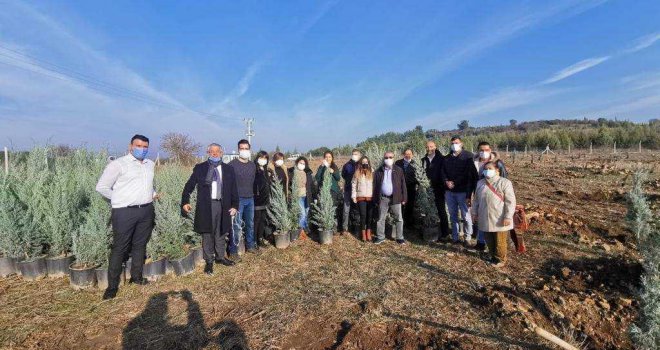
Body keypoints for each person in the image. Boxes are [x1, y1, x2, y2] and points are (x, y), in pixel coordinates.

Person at [96, 134, 158, 300]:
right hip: (124, 212)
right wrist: (119, 198)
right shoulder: (118, 164)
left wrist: (152, 193)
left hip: (145, 210)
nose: (142, 149)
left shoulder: (149, 164)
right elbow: (101, 187)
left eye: (145, 146)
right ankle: (112, 286)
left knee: (140, 245)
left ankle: (136, 277)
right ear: (131, 146)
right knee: (120, 248)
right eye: (139, 145)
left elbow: (147, 184)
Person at [181, 143, 239, 275]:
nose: (214, 153)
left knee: (221, 232)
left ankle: (220, 257)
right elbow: (189, 185)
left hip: (223, 205)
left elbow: (234, 189)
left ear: (221, 153)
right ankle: (209, 261)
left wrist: (235, 205)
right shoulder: (200, 168)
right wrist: (185, 201)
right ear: (208, 152)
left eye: (217, 151)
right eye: (211, 151)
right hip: (206, 206)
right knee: (207, 233)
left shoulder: (228, 169)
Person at [472, 161, 516, 267]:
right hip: (484, 216)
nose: (487, 171)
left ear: (497, 170)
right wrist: (474, 213)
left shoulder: (504, 182)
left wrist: (508, 216)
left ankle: (501, 260)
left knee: (500, 240)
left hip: (499, 217)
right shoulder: (480, 183)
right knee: (489, 239)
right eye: (485, 169)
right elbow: (476, 200)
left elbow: (510, 201)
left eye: (490, 169)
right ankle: (492, 256)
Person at [440, 136, 478, 245]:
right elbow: (443, 172)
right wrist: (446, 181)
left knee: (466, 215)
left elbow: (468, 174)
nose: (454, 145)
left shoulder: (468, 156)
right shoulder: (446, 158)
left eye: (456, 143)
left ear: (461, 143)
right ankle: (455, 237)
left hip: (463, 191)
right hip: (449, 192)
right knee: (453, 215)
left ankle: (467, 237)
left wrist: (455, 182)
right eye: (452, 143)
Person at [472, 141, 508, 251]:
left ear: (490, 150)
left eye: (487, 150)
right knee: (481, 218)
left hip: (495, 196)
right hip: (480, 192)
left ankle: (497, 248)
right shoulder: (474, 162)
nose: (484, 152)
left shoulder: (498, 163)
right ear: (478, 150)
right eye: (482, 150)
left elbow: (504, 179)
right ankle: (481, 243)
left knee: (494, 220)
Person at [228, 139, 257, 258]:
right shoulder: (232, 165)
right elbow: (228, 184)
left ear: (249, 149)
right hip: (238, 200)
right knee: (236, 225)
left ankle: (250, 245)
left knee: (250, 224)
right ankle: (234, 250)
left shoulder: (252, 165)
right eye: (242, 148)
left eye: (246, 148)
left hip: (250, 199)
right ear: (238, 149)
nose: (244, 151)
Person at [372, 151, 408, 245]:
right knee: (381, 218)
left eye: (390, 157)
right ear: (384, 159)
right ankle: (380, 237)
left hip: (396, 198)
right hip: (383, 198)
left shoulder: (399, 170)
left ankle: (400, 237)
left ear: (394, 158)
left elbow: (403, 185)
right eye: (386, 157)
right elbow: (375, 186)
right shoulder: (379, 171)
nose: (388, 159)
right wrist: (376, 199)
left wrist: (404, 198)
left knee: (399, 219)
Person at [421, 141, 450, 239]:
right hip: (426, 190)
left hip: (439, 189)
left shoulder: (442, 159)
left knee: (441, 210)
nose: (429, 148)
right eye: (427, 147)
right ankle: (429, 231)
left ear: (435, 147)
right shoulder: (423, 160)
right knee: (427, 210)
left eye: (431, 146)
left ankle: (445, 233)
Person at [315, 151, 342, 233]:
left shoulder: (334, 166)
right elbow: (317, 178)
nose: (328, 158)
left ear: (332, 158)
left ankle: (333, 227)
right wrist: (321, 167)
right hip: (323, 190)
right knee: (324, 208)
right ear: (324, 158)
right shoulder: (321, 167)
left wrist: (333, 172)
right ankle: (324, 226)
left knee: (332, 208)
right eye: (326, 157)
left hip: (333, 190)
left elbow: (338, 178)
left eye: (329, 157)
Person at [288, 156, 315, 239]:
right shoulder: (292, 172)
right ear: (297, 163)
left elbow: (311, 185)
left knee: (306, 213)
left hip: (306, 196)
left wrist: (314, 196)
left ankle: (305, 229)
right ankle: (300, 231)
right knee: (302, 214)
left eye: (303, 163)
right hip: (298, 196)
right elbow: (289, 184)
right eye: (300, 163)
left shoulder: (307, 173)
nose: (302, 165)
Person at [254, 151, 274, 248]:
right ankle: (254, 240)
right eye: (261, 157)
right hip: (256, 200)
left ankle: (260, 238)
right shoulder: (254, 169)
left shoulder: (265, 169)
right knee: (256, 221)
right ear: (258, 158)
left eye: (265, 158)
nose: (263, 160)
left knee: (262, 220)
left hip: (265, 199)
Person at [351, 156, 374, 241]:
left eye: (366, 162)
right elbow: (353, 185)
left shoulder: (372, 171)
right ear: (360, 163)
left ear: (368, 163)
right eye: (363, 162)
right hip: (360, 197)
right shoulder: (357, 172)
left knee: (370, 216)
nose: (365, 163)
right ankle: (363, 233)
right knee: (363, 215)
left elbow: (375, 184)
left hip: (370, 197)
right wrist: (354, 196)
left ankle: (369, 232)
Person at [395, 149, 418, 228]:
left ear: (412, 155)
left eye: (410, 154)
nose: (408, 155)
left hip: (411, 188)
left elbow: (418, 176)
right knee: (400, 206)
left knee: (410, 206)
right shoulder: (398, 163)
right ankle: (400, 223)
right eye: (406, 154)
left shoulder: (415, 163)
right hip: (400, 189)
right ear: (403, 154)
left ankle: (408, 224)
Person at [340, 149, 362, 234]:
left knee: (356, 209)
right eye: (353, 154)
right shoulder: (347, 165)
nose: (354, 155)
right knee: (346, 209)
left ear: (359, 155)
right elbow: (343, 175)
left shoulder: (361, 164)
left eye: (356, 154)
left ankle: (356, 227)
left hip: (358, 191)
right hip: (348, 190)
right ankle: (344, 228)